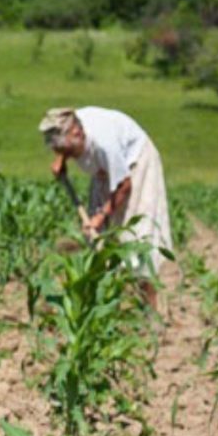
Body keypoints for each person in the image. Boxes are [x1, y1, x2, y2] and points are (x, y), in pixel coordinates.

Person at [39, 107, 172, 308]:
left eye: (66, 151)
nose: (66, 154)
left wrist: (101, 216)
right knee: (97, 238)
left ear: (77, 134)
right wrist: (61, 159)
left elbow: (124, 185)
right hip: (105, 169)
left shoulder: (104, 144)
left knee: (136, 238)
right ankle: (105, 304)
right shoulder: (69, 123)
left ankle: (150, 309)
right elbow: (62, 141)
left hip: (136, 164)